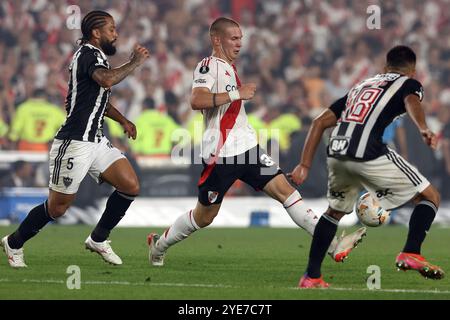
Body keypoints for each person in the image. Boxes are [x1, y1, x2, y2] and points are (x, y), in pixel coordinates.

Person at [147, 17, 366, 271]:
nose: (240, 43)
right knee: (204, 216)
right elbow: (197, 100)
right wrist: (236, 93)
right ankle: (158, 244)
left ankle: (331, 246)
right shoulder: (209, 65)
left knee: (287, 192)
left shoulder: (229, 68)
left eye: (241, 38)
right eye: (234, 38)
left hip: (248, 149)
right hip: (222, 154)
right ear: (216, 39)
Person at [1, 10, 150, 268]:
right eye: (111, 29)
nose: (116, 34)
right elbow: (106, 80)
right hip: (74, 142)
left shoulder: (97, 57)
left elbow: (97, 99)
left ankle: (98, 238)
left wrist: (123, 120)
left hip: (96, 140)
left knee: (130, 185)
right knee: (58, 208)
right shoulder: (87, 55)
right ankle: (13, 243)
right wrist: (134, 62)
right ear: (96, 32)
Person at [290, 45, 444, 288]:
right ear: (412, 71)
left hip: (337, 153)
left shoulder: (362, 85)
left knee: (334, 213)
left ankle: (311, 276)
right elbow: (411, 100)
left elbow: (319, 122)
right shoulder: (408, 83)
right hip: (367, 153)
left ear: (385, 67)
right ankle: (410, 252)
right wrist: (424, 128)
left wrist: (304, 164)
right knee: (430, 195)